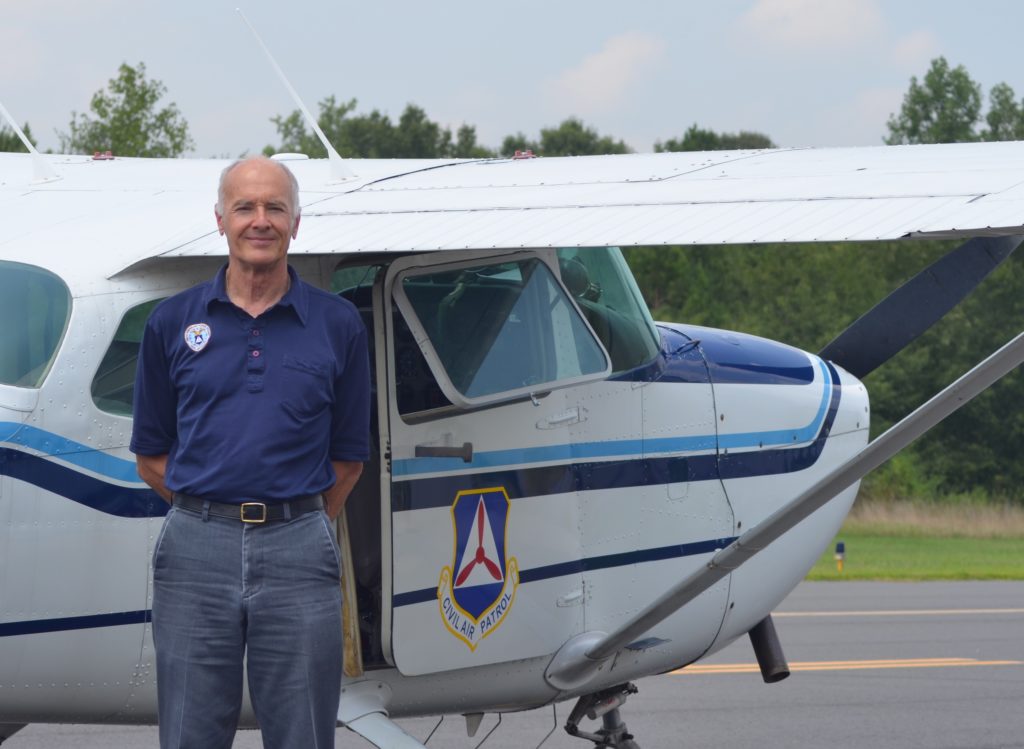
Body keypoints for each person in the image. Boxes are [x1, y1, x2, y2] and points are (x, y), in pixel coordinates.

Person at [130, 156, 370, 749]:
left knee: (302, 734)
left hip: (299, 549)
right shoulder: (171, 322)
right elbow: (151, 455)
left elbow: (348, 459)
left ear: (295, 223)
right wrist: (213, 512)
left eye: (275, 208)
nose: (260, 220)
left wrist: (296, 523)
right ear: (221, 220)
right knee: (189, 734)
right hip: (194, 549)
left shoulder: (339, 324)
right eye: (245, 207)